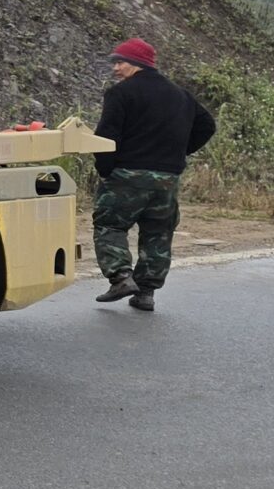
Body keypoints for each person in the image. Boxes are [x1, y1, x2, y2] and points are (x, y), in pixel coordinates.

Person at [91, 37, 215, 314]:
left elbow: (106, 135)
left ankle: (121, 278)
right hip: (167, 179)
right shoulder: (180, 95)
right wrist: (177, 153)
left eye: (120, 62)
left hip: (128, 175)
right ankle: (146, 293)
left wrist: (106, 169)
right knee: (158, 233)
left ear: (137, 63)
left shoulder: (120, 93)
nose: (115, 68)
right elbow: (207, 125)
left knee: (110, 226)